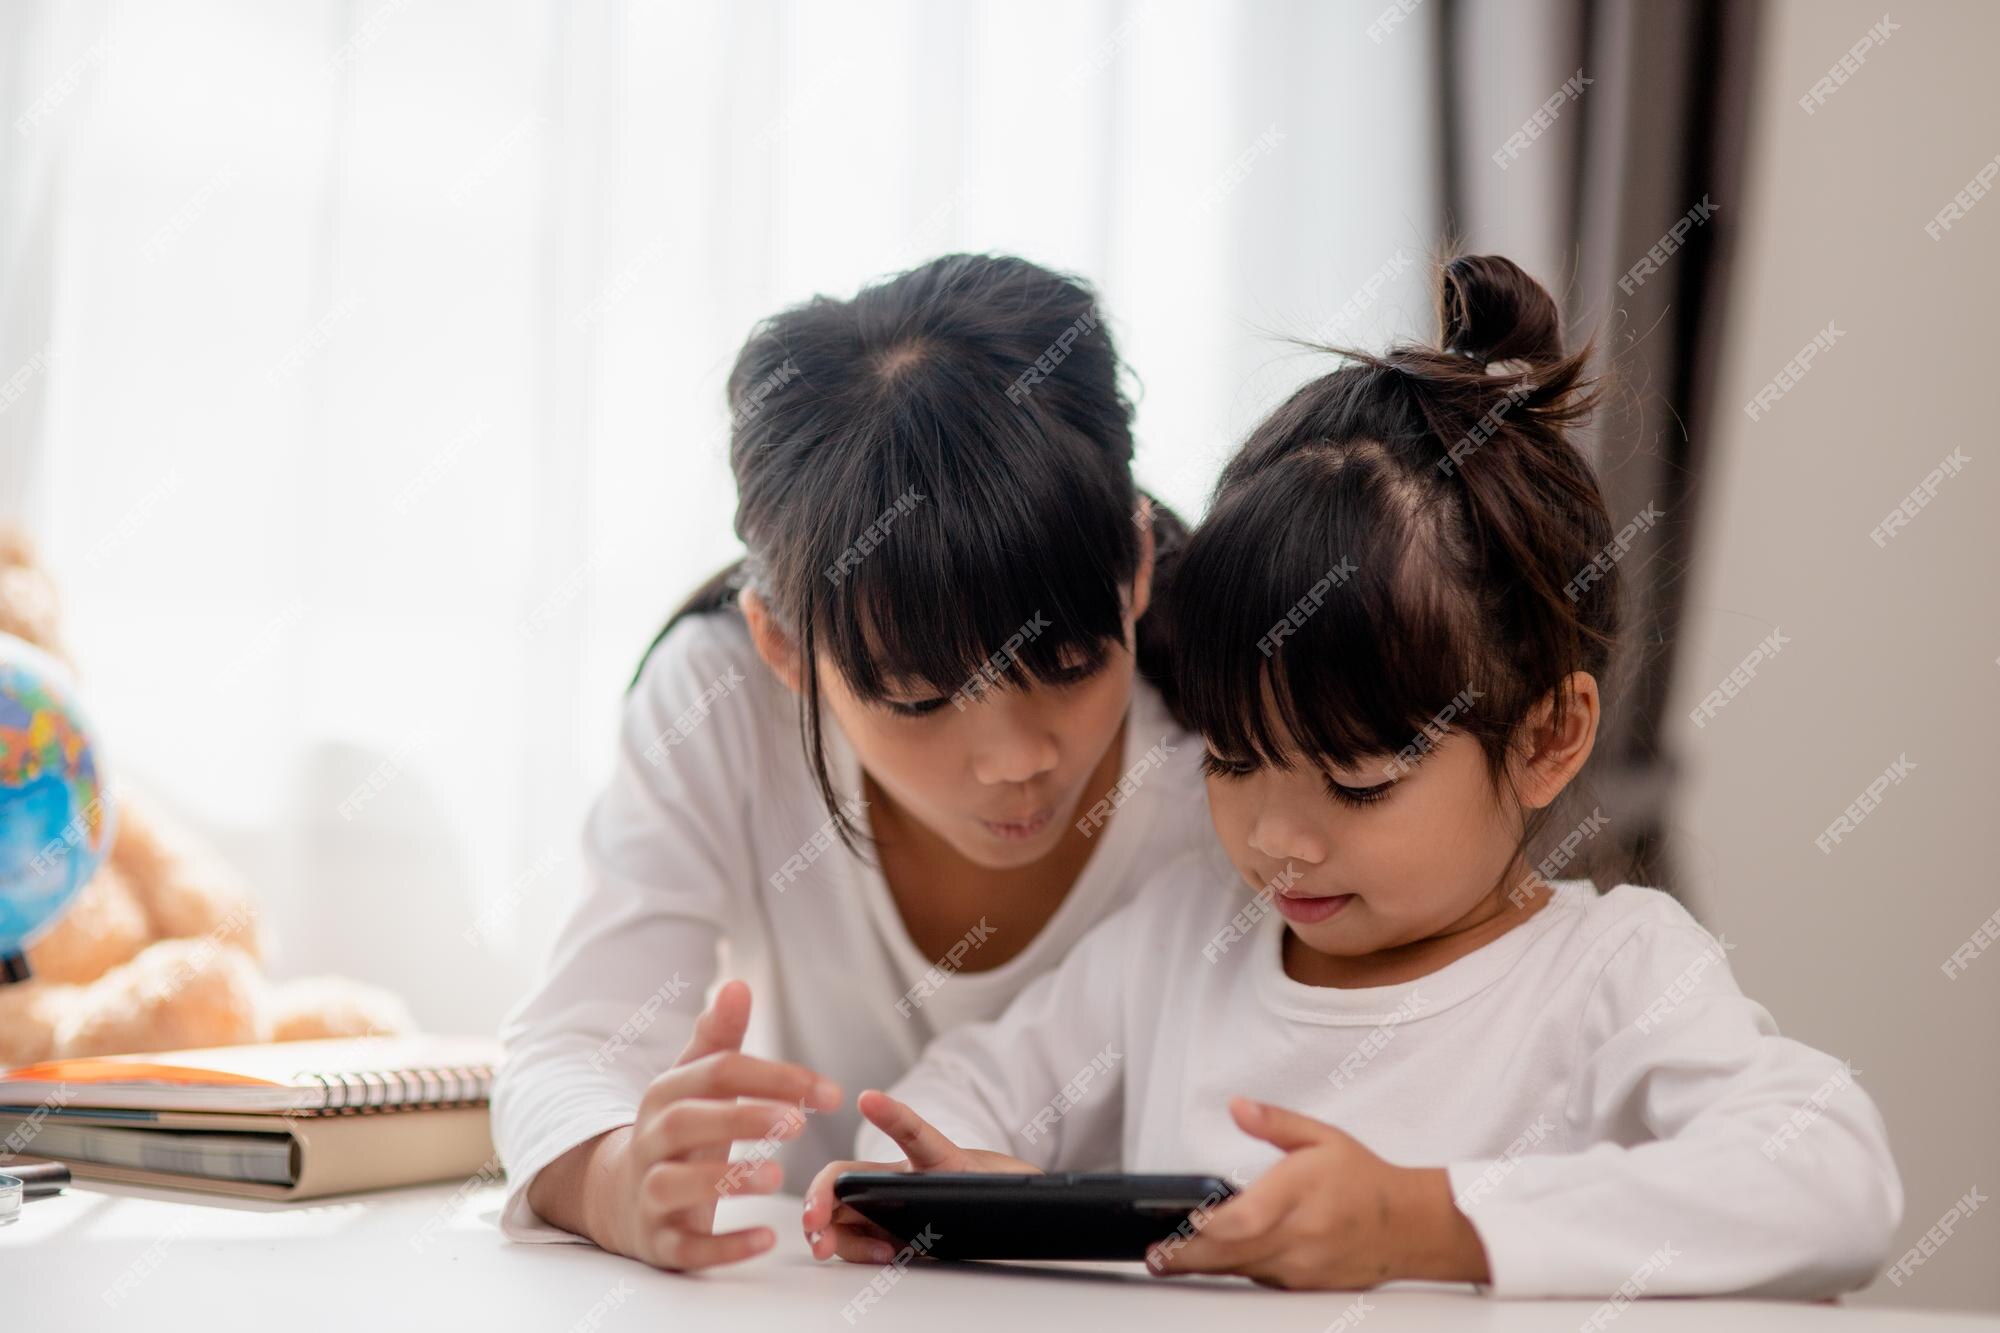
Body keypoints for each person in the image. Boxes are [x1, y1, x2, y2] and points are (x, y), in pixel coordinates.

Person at [802, 254, 1903, 1298]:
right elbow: (951, 1095)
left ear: (1546, 737)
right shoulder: (1185, 940)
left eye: (1357, 780)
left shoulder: (1611, 974)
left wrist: (1420, 1222)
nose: (1278, 838)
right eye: (1234, 758)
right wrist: (968, 1189)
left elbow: (1833, 1182)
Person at [491, 254, 1217, 1271]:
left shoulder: (1230, 756)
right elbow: (567, 1046)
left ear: (1135, 568)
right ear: (783, 647)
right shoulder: (719, 697)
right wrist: (614, 1175)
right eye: (919, 699)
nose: (1015, 758)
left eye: (1066, 663)